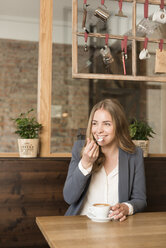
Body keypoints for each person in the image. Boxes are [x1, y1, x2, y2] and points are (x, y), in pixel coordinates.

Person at [63, 98, 147, 221]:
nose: (99, 130)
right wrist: (85, 163)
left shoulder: (134, 154)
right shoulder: (80, 149)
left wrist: (126, 207)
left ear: (119, 126)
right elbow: (69, 197)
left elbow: (140, 200)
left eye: (107, 124)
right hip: (82, 224)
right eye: (94, 123)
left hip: (117, 227)